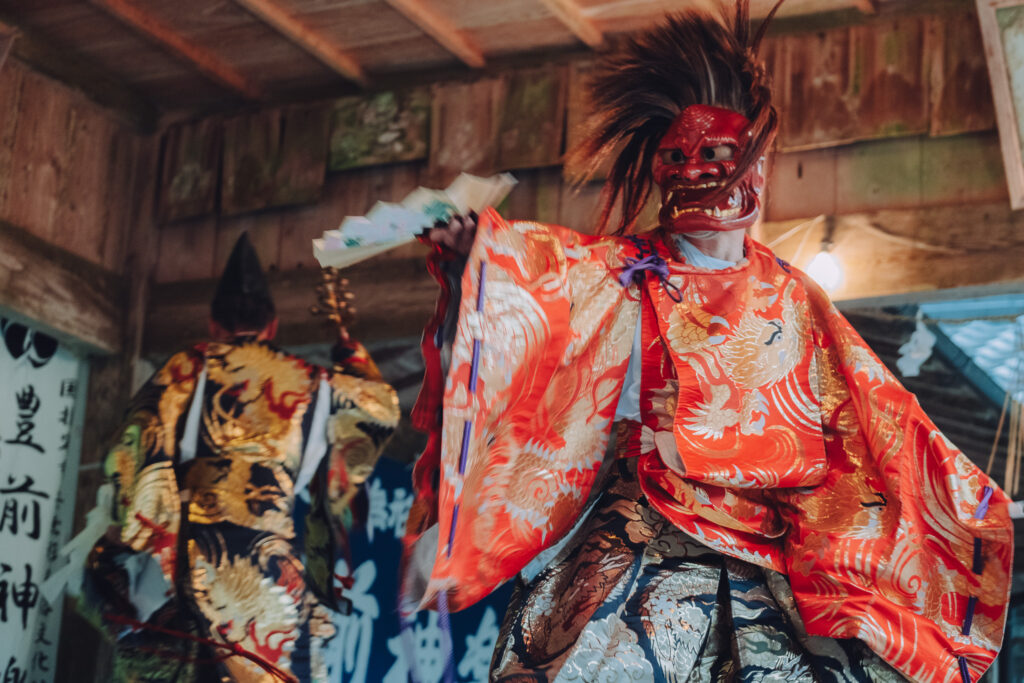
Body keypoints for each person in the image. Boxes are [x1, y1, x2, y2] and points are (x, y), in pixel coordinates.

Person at [402, 4, 1013, 682]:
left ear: (754, 162)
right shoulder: (623, 269)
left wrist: (962, 500)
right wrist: (477, 256)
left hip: (761, 553)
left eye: (715, 153)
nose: (695, 169)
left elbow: (873, 418)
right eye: (676, 154)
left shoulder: (791, 296)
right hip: (632, 536)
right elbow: (541, 281)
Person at [80, 233, 399, 682]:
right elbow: (379, 408)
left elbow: (138, 442)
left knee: (136, 615)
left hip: (194, 563)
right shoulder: (313, 382)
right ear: (272, 326)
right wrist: (352, 354)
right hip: (274, 571)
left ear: (213, 325)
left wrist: (141, 529)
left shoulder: (189, 367)